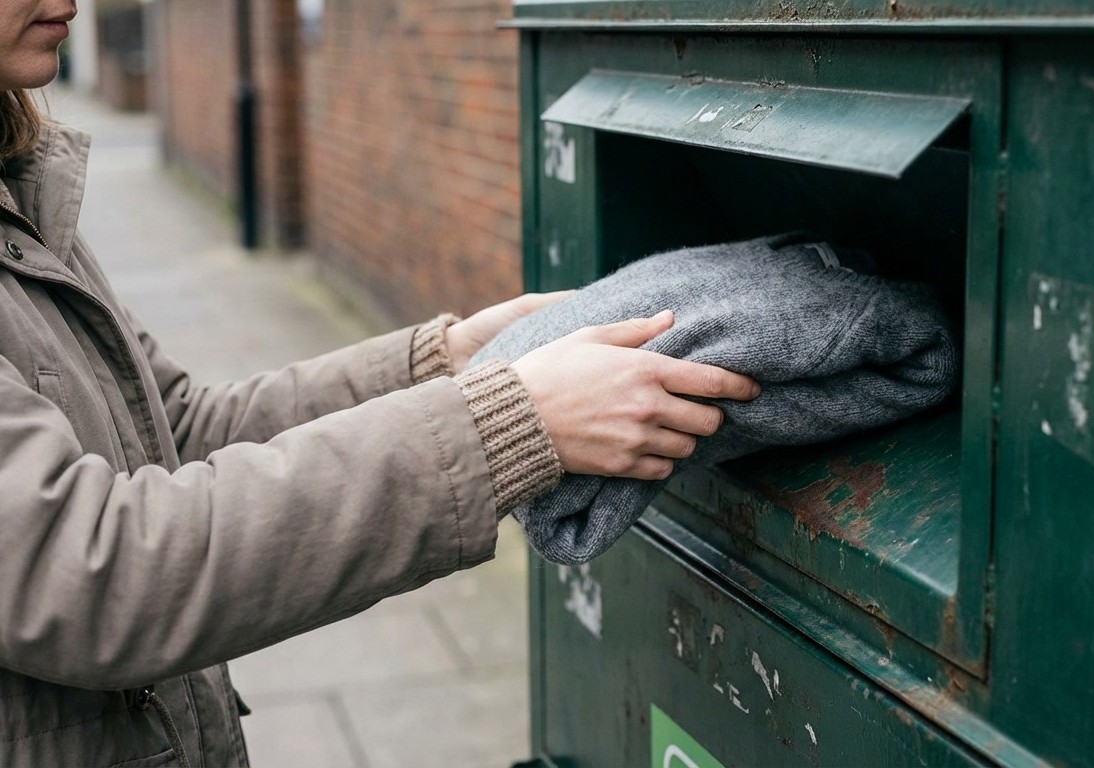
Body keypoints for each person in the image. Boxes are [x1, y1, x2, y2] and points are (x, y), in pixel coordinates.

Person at [0, 1, 760, 765]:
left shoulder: (18, 192)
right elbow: (92, 573)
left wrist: (446, 361)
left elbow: (174, 428)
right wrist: (503, 426)